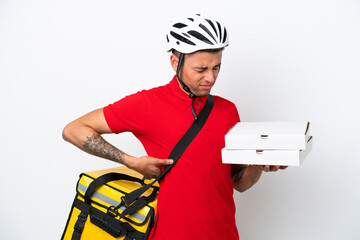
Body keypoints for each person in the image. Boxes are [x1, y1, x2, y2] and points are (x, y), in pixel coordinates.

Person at [63, 13, 286, 240]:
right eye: (200, 69)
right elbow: (74, 130)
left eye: (217, 67)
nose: (211, 77)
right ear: (175, 62)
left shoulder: (228, 110)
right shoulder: (148, 104)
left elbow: (239, 183)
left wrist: (259, 164)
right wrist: (131, 161)